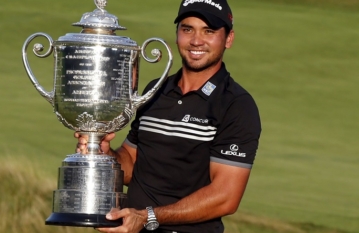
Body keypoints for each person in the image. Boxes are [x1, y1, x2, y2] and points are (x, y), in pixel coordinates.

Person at [75, 0, 261, 232]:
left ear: (229, 39)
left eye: (209, 31)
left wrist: (148, 217)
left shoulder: (236, 104)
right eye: (187, 29)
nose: (196, 40)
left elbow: (225, 196)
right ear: (177, 34)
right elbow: (132, 165)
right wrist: (105, 154)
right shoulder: (157, 89)